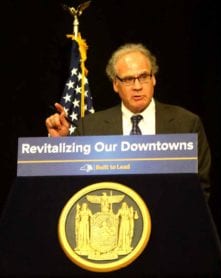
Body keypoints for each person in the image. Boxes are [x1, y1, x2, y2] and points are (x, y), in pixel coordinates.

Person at [45, 43, 211, 199]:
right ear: (116, 84)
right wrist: (61, 144)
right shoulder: (90, 127)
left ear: (153, 79)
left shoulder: (186, 124)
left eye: (144, 77)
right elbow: (71, 182)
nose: (137, 86)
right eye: (128, 79)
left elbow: (200, 187)